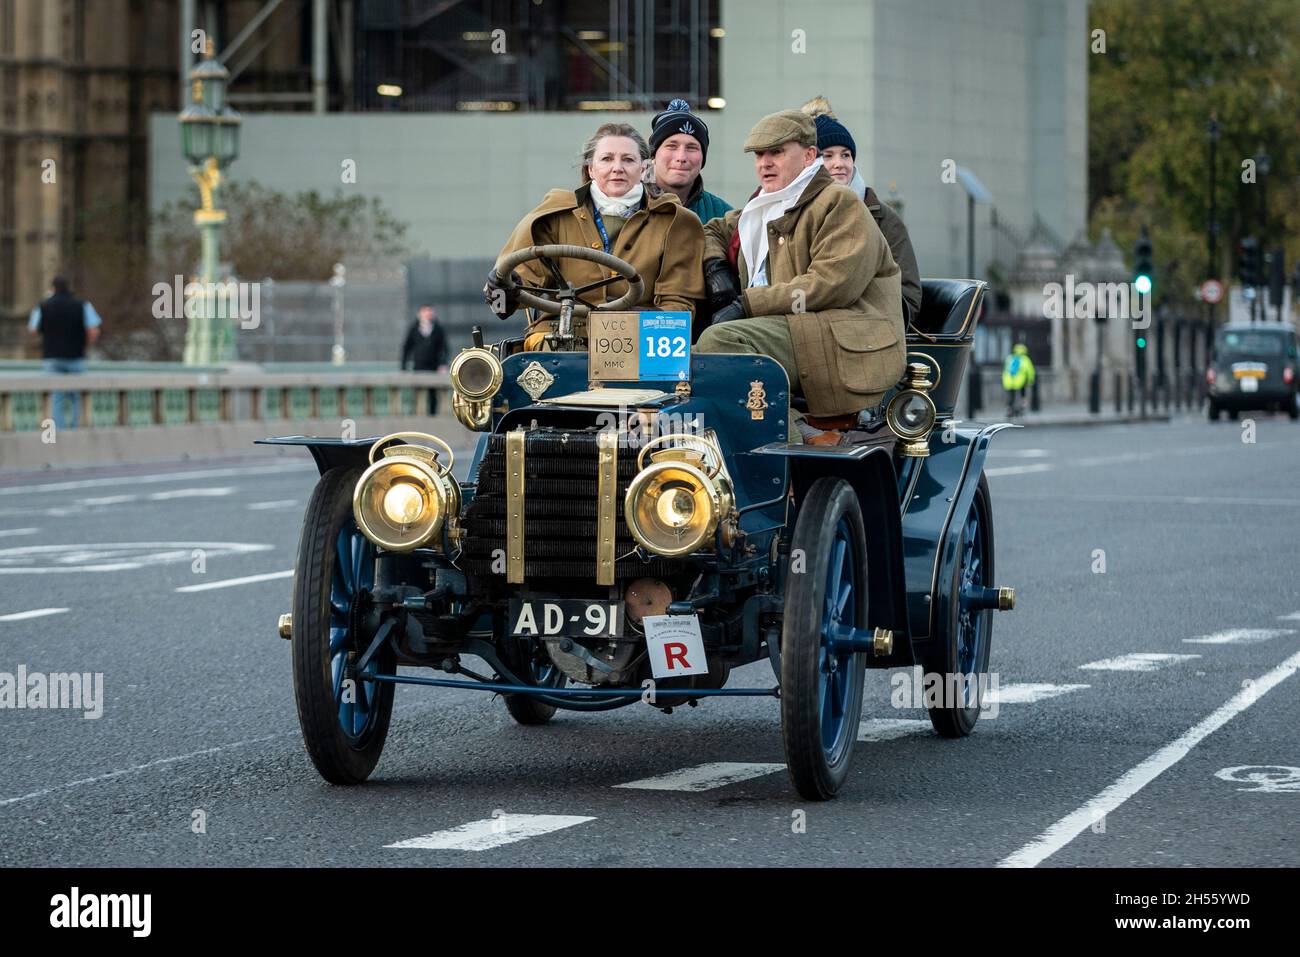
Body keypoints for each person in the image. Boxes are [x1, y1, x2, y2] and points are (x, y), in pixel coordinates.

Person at [695, 110, 905, 446]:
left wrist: (746, 302)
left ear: (809, 156)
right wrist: (716, 269)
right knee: (684, 361)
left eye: (776, 152)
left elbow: (831, 283)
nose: (765, 163)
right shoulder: (764, 206)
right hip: (795, 329)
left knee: (721, 344)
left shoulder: (840, 203)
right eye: (759, 155)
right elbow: (713, 230)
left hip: (837, 335)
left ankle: (789, 452)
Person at [485, 123, 705, 349]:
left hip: (641, 341)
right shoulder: (554, 215)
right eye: (607, 159)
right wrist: (506, 288)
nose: (617, 168)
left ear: (645, 168)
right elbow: (516, 289)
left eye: (628, 160)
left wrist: (632, 320)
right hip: (561, 338)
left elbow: (678, 306)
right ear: (590, 168)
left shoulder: (675, 221)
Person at [801, 96, 922, 323]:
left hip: (868, 331)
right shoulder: (793, 213)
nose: (839, 163)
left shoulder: (884, 219)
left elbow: (909, 297)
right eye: (827, 155)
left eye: (846, 154)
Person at [28, 276, 102, 430]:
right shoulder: (82, 305)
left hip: (51, 357)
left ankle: (59, 431)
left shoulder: (43, 306)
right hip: (76, 356)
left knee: (55, 397)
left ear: (52, 288)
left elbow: (33, 330)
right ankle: (77, 429)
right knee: (78, 396)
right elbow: (93, 330)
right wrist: (85, 343)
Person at [647, 98, 732, 223]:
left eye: (691, 148)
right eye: (672, 146)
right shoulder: (628, 205)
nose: (681, 157)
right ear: (653, 155)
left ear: (703, 158)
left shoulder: (723, 215)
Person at [400, 303, 449, 415]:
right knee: (416, 392)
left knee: (433, 393)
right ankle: (414, 413)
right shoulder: (414, 328)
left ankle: (432, 414)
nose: (428, 314)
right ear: (420, 314)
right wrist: (404, 366)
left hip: (433, 366)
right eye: (425, 312)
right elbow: (406, 348)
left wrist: (443, 364)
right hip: (419, 365)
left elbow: (444, 348)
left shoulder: (438, 329)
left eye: (429, 312)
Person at [1002, 343, 1035, 417]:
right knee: (1022, 395)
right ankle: (1022, 408)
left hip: (1008, 381)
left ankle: (1009, 410)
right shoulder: (1025, 359)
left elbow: (1005, 369)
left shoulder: (1009, 358)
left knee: (1011, 396)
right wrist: (1030, 381)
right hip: (1020, 382)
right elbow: (1030, 371)